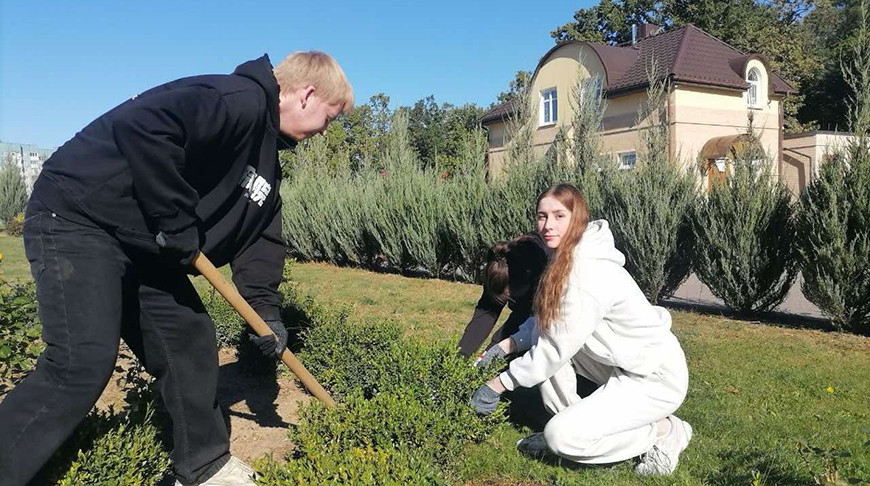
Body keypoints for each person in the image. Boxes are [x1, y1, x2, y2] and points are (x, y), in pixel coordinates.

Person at [0, 51, 353, 486]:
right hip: (80, 217)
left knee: (188, 341)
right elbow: (146, 126)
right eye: (330, 117)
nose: (324, 130)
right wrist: (176, 219)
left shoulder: (264, 162)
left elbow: (261, 236)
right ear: (307, 94)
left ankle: (204, 465)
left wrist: (266, 312)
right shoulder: (234, 98)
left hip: (144, 241)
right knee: (80, 362)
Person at [470, 183, 692, 476]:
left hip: (654, 377)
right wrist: (506, 346)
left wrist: (497, 385)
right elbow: (549, 323)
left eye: (559, 216)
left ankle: (663, 430)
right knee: (549, 366)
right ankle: (573, 427)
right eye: (542, 216)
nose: (548, 225)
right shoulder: (563, 257)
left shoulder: (584, 274)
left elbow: (553, 349)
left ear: (578, 218)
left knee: (560, 437)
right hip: (620, 364)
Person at [456, 233, 551, 360]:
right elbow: (485, 314)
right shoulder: (502, 265)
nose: (506, 301)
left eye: (511, 297)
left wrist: (492, 355)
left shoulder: (549, 275)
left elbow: (519, 322)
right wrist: (461, 358)